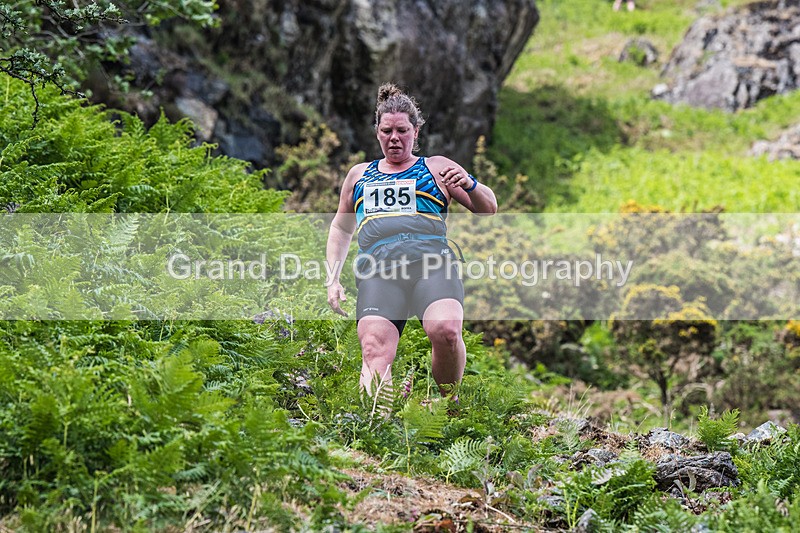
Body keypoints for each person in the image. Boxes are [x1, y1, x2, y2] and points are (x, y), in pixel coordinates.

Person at [325, 83, 497, 401]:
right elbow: (341, 228)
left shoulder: (437, 167)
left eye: (402, 131)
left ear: (416, 132)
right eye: (387, 131)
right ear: (377, 132)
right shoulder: (358, 176)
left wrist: (471, 184)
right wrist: (332, 279)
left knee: (446, 331)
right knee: (374, 348)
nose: (394, 138)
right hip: (379, 271)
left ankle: (448, 404)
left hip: (431, 265)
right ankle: (377, 425)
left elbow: (488, 208)